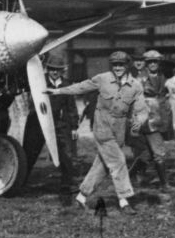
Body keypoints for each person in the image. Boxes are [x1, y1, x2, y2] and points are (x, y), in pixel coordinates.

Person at [47, 51, 148, 215]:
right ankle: (124, 200)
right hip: (102, 126)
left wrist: (140, 120)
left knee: (102, 164)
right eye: (115, 64)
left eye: (121, 64)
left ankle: (81, 197)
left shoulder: (135, 86)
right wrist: (58, 91)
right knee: (119, 160)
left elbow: (142, 109)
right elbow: (80, 87)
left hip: (120, 128)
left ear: (127, 65)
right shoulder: (102, 79)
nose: (118, 68)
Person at [22, 53, 80, 206]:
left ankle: (66, 187)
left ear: (63, 71)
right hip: (37, 122)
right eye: (52, 69)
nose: (54, 72)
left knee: (65, 155)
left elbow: (71, 107)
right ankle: (20, 183)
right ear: (47, 69)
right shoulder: (38, 82)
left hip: (58, 123)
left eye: (58, 69)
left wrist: (74, 126)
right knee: (29, 153)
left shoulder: (67, 84)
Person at [129, 50, 174, 191]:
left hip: (161, 118)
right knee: (159, 152)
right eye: (150, 62)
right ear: (146, 63)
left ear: (159, 63)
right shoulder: (139, 80)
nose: (153, 64)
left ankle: (130, 175)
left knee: (147, 154)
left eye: (156, 61)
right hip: (147, 120)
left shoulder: (162, 77)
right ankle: (164, 184)